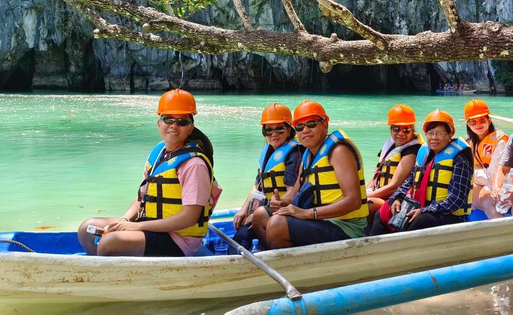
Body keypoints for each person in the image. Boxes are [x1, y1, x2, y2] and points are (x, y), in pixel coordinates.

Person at [77, 89, 219, 257]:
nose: (174, 126)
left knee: (110, 242)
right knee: (86, 230)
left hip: (179, 240)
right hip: (150, 227)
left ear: (190, 128)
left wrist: (136, 227)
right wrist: (125, 220)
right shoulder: (159, 153)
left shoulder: (194, 164)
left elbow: (189, 217)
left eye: (182, 121)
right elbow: (142, 198)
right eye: (168, 119)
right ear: (159, 123)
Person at [264, 101, 368, 248]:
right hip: (320, 220)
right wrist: (280, 203)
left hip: (346, 226)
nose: (305, 130)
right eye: (300, 127)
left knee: (277, 224)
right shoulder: (308, 154)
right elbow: (293, 195)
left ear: (325, 124)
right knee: (261, 216)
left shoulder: (338, 151)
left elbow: (354, 201)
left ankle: (293, 268)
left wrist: (306, 214)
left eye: (311, 124)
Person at [369, 109, 474, 235]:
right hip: (421, 206)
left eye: (440, 133)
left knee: (421, 221)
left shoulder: (460, 158)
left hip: (448, 213)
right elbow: (410, 182)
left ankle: (404, 252)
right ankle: (376, 251)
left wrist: (425, 210)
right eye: (430, 133)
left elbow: (457, 199)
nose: (434, 138)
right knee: (382, 213)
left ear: (450, 134)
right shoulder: (424, 154)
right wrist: (396, 198)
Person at [231, 103, 302, 252]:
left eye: (279, 129)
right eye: (268, 130)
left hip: (288, 210)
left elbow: (292, 194)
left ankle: (270, 252)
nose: (273, 134)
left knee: (255, 220)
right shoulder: (268, 152)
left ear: (289, 130)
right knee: (240, 234)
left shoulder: (294, 154)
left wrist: (259, 213)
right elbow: (257, 186)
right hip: (269, 207)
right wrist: (244, 210)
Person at [366, 104, 421, 217]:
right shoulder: (390, 147)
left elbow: (393, 187)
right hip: (379, 193)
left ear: (412, 130)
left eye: (406, 130)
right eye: (396, 129)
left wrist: (365, 197)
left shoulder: (412, 152)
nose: (401, 133)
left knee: (361, 205)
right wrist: (364, 191)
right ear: (391, 129)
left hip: (393, 199)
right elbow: (377, 176)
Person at [463, 99, 508, 215]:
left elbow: (493, 177)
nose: (478, 125)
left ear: (489, 120)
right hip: (482, 184)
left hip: (501, 187)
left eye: (482, 120)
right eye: (473, 122)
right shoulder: (469, 142)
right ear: (468, 124)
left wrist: (468, 173)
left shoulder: (500, 141)